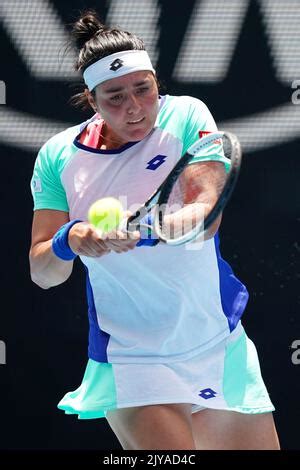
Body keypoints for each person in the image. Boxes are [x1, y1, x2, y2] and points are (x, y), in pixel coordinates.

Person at [29, 10, 280, 450]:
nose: (135, 108)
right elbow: (43, 271)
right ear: (92, 101)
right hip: (130, 357)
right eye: (114, 97)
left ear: (154, 82)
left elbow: (205, 215)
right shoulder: (56, 156)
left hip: (216, 343)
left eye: (143, 90)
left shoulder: (185, 115)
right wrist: (72, 238)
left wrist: (150, 228)